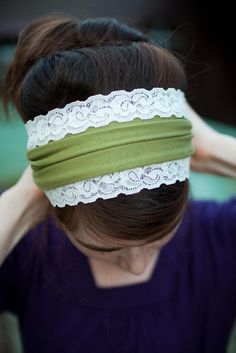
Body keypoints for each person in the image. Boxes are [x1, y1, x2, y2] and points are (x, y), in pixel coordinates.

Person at [0, 14, 236, 353]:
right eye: (107, 248)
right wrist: (23, 200)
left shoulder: (217, 236)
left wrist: (215, 149)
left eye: (159, 239)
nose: (137, 263)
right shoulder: (26, 249)